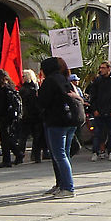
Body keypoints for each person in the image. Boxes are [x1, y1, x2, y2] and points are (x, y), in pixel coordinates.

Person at [38, 57, 82, 199]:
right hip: (70, 120)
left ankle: (68, 187)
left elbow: (43, 102)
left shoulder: (50, 81)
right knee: (65, 154)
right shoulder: (64, 79)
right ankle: (62, 184)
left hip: (56, 121)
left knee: (59, 155)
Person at [87, 61, 111, 161]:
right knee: (98, 133)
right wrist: (95, 109)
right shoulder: (97, 81)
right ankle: (96, 151)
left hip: (110, 112)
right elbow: (93, 96)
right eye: (100, 68)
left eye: (103, 68)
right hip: (99, 111)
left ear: (108, 68)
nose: (101, 70)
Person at [0, 69, 24, 168]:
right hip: (11, 116)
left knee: (5, 138)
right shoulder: (10, 87)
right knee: (8, 137)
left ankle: (8, 159)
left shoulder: (1, 89)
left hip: (4, 116)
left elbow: (0, 105)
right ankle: (17, 153)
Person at [18, 69, 45, 163]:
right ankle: (36, 156)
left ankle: (20, 156)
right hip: (34, 115)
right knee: (35, 137)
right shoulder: (34, 89)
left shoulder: (24, 89)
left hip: (29, 115)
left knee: (24, 137)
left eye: (23, 76)